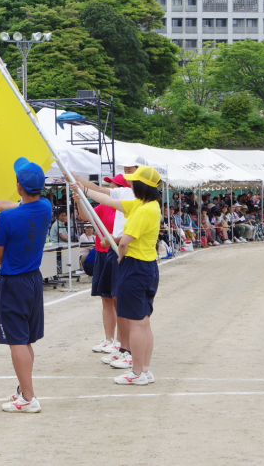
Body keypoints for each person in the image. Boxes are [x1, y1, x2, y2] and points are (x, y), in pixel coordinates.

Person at [0, 157, 52, 413]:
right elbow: (12, 206)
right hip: (33, 279)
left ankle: (28, 398)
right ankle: (23, 390)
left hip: (13, 282)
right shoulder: (45, 207)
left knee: (17, 341)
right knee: (25, 340)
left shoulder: (7, 220)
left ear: (18, 186)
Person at [72, 165, 162, 386]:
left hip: (136, 267)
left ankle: (138, 371)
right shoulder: (147, 205)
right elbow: (107, 200)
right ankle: (144, 370)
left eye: (133, 182)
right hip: (147, 267)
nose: (130, 184)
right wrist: (81, 189)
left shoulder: (143, 210)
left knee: (137, 324)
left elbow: (123, 242)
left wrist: (120, 256)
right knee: (144, 322)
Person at [73, 170, 137, 360]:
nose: (110, 188)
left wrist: (80, 183)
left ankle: (122, 344)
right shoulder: (105, 205)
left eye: (114, 185)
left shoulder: (127, 204)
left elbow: (96, 189)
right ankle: (111, 340)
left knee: (119, 300)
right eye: (110, 185)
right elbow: (87, 216)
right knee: (107, 298)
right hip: (104, 255)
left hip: (118, 252)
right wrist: (78, 196)